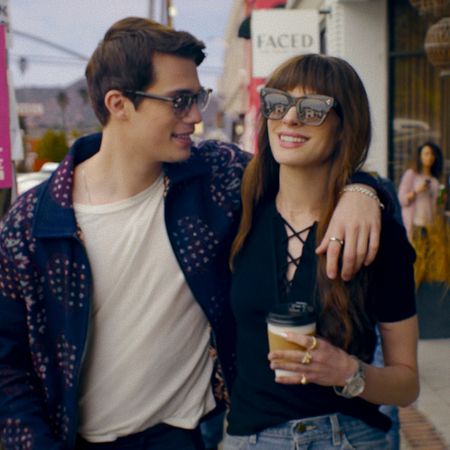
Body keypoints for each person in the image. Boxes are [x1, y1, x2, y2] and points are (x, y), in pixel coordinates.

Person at [0, 18, 385, 450]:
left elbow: (310, 169)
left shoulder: (216, 177)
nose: (197, 116)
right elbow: (6, 363)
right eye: (180, 101)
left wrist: (364, 189)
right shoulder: (33, 224)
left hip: (188, 435)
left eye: (198, 98)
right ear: (119, 104)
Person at [224, 54, 419, 449]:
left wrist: (349, 372)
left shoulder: (378, 236)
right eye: (277, 103)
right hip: (252, 439)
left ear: (345, 127)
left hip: (347, 436)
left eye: (312, 109)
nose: (290, 119)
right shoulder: (237, 212)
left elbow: (406, 384)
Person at [398, 142, 450, 287]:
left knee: (428, 262)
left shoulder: (435, 180)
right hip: (415, 224)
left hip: (431, 225)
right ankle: (411, 291)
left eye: (432, 154)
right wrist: (417, 190)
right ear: (419, 156)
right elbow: (402, 199)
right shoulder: (411, 175)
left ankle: (424, 295)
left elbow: (438, 206)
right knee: (415, 261)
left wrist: (442, 198)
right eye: (426, 153)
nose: (430, 157)